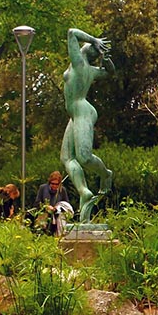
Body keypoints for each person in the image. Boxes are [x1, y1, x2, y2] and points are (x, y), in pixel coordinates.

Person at [60, 28, 114, 223]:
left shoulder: (79, 63)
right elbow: (109, 72)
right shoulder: (89, 69)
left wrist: (94, 40)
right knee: (67, 158)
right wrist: (106, 60)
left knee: (84, 157)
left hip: (82, 110)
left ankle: (105, 174)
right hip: (74, 114)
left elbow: (71, 32)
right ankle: (84, 191)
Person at [34, 171, 69, 235]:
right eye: (52, 184)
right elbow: (37, 202)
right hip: (44, 215)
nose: (54, 186)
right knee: (40, 230)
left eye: (57, 184)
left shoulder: (62, 190)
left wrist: (57, 208)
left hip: (57, 216)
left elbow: (66, 204)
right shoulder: (43, 188)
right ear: (49, 182)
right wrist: (46, 206)